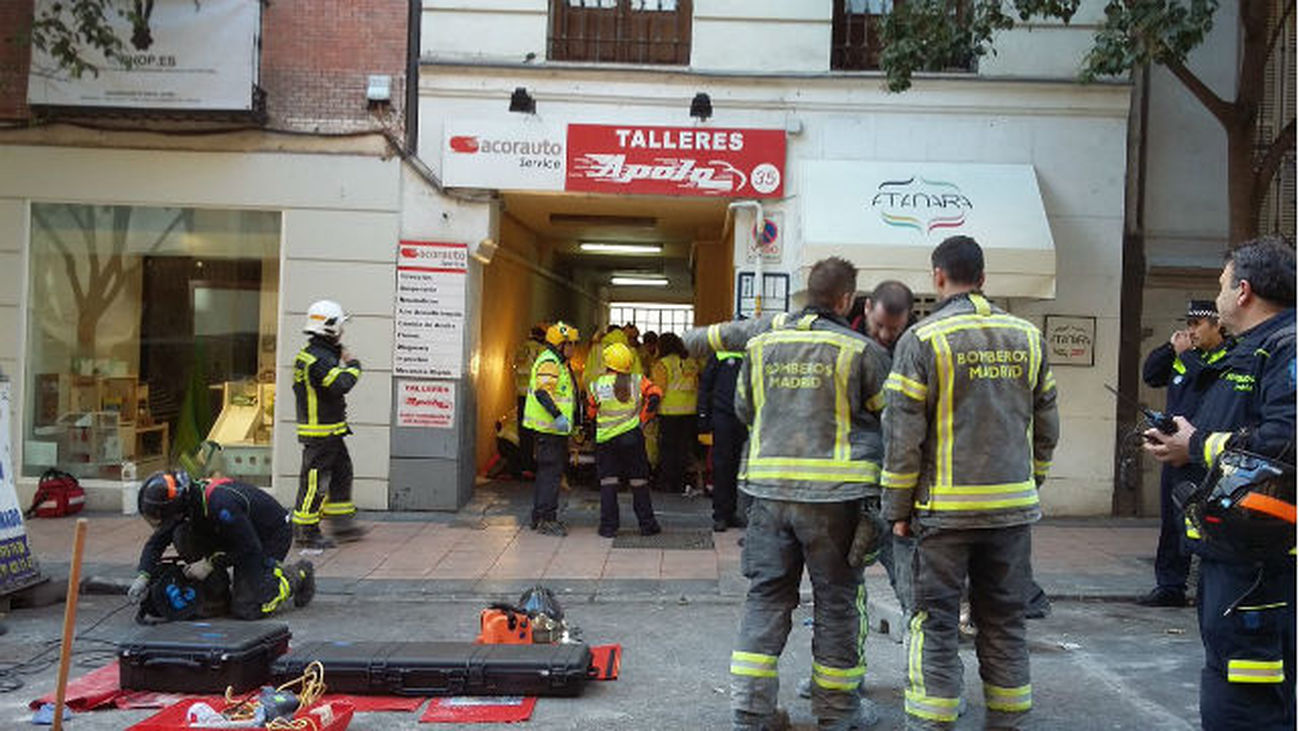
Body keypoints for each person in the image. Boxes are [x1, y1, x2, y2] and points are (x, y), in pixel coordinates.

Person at [685, 257, 889, 731]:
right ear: (846, 300)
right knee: (837, 600)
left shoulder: (762, 347)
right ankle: (837, 714)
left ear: (805, 294)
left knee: (766, 597)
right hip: (836, 503)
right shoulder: (861, 352)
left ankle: (751, 713)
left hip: (768, 496)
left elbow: (744, 410)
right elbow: (890, 424)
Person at [882, 235, 1059, 730]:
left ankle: (932, 723)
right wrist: (1031, 482)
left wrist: (896, 509)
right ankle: (1008, 723)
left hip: (942, 516)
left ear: (938, 277)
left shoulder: (921, 341)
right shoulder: (1028, 337)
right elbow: (1047, 426)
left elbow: (902, 437)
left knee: (934, 623)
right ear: (983, 279)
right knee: (1004, 623)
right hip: (1011, 513)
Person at [1143, 238, 1294, 730]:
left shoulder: (1286, 350)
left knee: (1249, 700)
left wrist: (1199, 444)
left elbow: (1285, 443)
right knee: (1231, 686)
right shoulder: (1247, 352)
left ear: (1243, 291)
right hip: (1234, 552)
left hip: (1267, 563)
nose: (1219, 295)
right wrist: (1180, 441)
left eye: (1222, 285)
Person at [1136, 300, 1230, 607]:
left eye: (1196, 325)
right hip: (1175, 451)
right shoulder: (1183, 356)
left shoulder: (1229, 357)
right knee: (1172, 521)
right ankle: (1170, 586)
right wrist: (1169, 348)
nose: (1190, 331)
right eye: (1187, 324)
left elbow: (1206, 380)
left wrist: (1186, 356)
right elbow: (1151, 374)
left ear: (1218, 325)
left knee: (1206, 522)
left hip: (1206, 454)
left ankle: (1207, 586)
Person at [127, 470, 315, 620]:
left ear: (173, 508)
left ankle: (298, 574)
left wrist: (209, 564)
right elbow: (156, 542)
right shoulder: (186, 504)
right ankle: (217, 594)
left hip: (266, 536)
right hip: (230, 532)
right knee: (180, 533)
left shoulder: (220, 504)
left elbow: (249, 548)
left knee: (248, 608)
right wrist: (143, 575)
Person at [292, 299, 366, 549]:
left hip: (330, 432)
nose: (343, 331)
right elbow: (341, 384)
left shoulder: (317, 355)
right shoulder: (318, 359)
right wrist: (354, 364)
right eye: (340, 326)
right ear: (330, 327)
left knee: (342, 474)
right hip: (321, 434)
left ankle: (342, 524)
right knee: (314, 483)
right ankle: (306, 531)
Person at [587, 341, 663, 538]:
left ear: (607, 363)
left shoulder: (597, 384)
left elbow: (591, 412)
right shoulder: (638, 381)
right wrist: (643, 419)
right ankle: (647, 525)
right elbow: (655, 395)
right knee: (638, 481)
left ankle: (608, 527)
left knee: (608, 482)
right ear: (629, 362)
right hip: (632, 438)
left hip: (606, 441)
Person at [524, 321, 580, 536]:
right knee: (551, 475)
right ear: (560, 345)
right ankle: (547, 519)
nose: (574, 348)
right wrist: (558, 416)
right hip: (549, 430)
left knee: (547, 474)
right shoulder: (550, 362)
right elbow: (542, 392)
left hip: (554, 431)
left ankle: (539, 517)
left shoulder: (559, 362)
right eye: (571, 344)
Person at [698, 344, 748, 532]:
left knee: (736, 466)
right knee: (722, 466)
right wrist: (703, 417)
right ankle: (720, 515)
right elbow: (705, 387)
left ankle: (731, 512)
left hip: (742, 418)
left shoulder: (750, 354)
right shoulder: (719, 356)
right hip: (722, 417)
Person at [652, 333, 700, 494]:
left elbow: (659, 389)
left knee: (667, 450)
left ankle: (667, 483)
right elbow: (697, 386)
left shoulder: (662, 364)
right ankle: (680, 483)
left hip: (669, 412)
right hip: (689, 412)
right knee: (683, 449)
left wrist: (651, 409)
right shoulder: (691, 363)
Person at [512, 324, 548, 477]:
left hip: (521, 394)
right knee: (539, 431)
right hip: (536, 396)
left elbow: (515, 368)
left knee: (524, 432)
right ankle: (538, 465)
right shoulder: (541, 350)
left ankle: (525, 465)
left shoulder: (520, 349)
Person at [852, 280, 914, 352]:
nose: (884, 335)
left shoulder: (914, 341)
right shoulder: (847, 321)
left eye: (894, 329)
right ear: (867, 307)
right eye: (879, 325)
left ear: (907, 319)